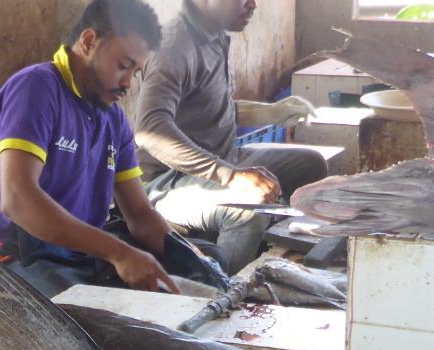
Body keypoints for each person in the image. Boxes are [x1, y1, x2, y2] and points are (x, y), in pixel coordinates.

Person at [0, 0, 219, 299]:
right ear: (88, 42)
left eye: (135, 72)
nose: (127, 83)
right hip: (14, 257)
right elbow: (17, 199)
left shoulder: (113, 120)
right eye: (123, 66)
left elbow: (138, 213)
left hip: (78, 253)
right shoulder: (37, 88)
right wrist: (119, 253)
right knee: (94, 318)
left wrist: (191, 258)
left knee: (208, 265)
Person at [133, 0, 330, 273]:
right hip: (165, 182)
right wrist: (231, 176)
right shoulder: (174, 48)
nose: (252, 5)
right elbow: (150, 130)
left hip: (225, 158)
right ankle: (219, 291)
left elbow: (213, 108)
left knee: (311, 164)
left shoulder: (215, 36)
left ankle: (274, 250)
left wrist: (272, 112)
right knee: (247, 209)